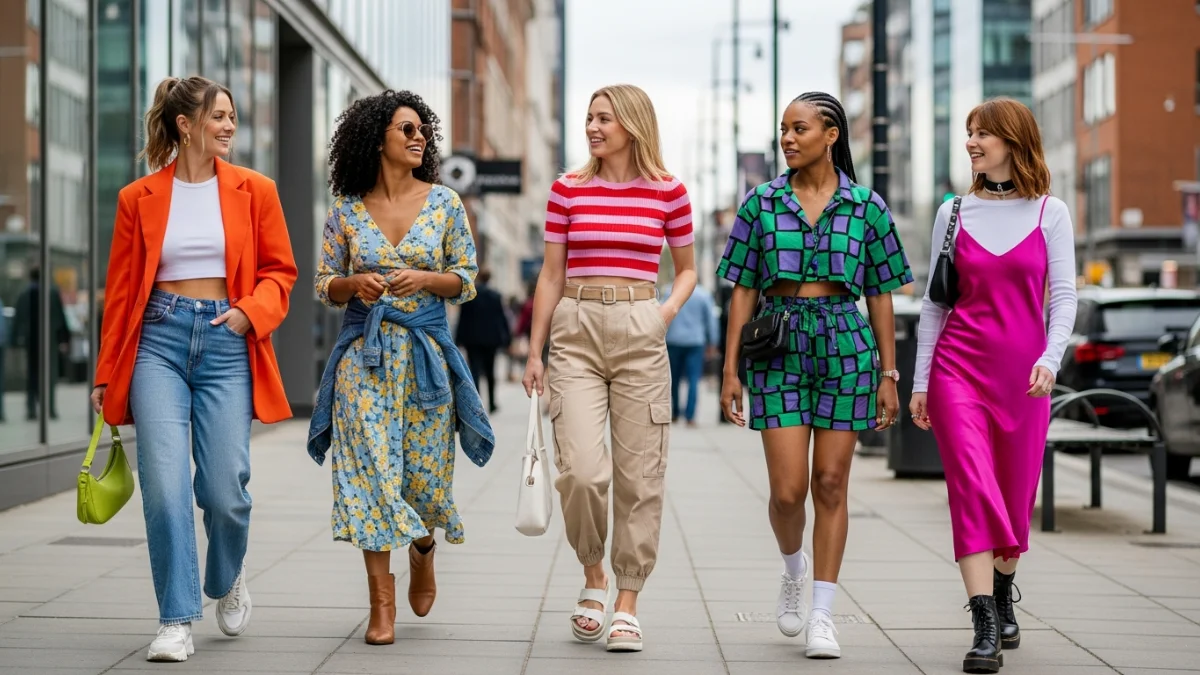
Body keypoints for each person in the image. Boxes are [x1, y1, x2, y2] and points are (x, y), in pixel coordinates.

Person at [91, 76, 298, 662]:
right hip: (157, 340)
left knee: (225, 488)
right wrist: (108, 373)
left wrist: (246, 315)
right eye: (219, 116)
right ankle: (175, 619)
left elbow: (280, 273)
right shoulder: (139, 198)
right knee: (164, 487)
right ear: (186, 125)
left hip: (227, 342)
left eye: (233, 116)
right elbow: (122, 291)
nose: (230, 126)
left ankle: (226, 576)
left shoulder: (256, 190)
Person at [718, 91, 912, 660]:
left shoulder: (867, 206)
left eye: (798, 128)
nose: (787, 138)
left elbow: (879, 294)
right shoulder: (761, 203)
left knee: (831, 483)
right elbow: (742, 289)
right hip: (777, 342)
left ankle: (822, 614)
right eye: (783, 129)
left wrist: (888, 373)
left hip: (845, 345)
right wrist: (730, 370)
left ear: (831, 134)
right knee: (787, 492)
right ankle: (791, 566)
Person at [306, 89, 494, 647]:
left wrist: (426, 280)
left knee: (423, 479)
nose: (419, 139)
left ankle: (424, 550)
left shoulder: (445, 204)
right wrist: (351, 284)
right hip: (363, 361)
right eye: (406, 130)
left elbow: (467, 278)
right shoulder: (344, 209)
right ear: (376, 138)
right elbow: (322, 285)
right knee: (369, 479)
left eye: (422, 132)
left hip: (424, 360)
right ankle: (380, 605)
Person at [522, 84, 696, 653]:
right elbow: (550, 275)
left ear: (633, 124)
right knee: (582, 471)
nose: (593, 127)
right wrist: (534, 350)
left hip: (640, 331)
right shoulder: (566, 190)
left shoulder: (670, 192)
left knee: (640, 475)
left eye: (604, 118)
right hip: (575, 329)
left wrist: (662, 313)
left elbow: (688, 269)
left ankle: (626, 599)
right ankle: (592, 573)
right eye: (589, 118)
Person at [909, 97, 1076, 674]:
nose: (972, 143)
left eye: (983, 134)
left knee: (1013, 494)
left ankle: (1005, 592)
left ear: (1014, 140)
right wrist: (922, 380)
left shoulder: (1049, 213)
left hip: (1025, 379)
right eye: (969, 134)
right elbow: (935, 305)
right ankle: (984, 623)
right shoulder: (953, 213)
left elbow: (1064, 297)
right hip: (959, 370)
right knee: (972, 488)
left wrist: (1051, 358)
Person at [455, 267, 511, 412]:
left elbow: (463, 319)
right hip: (491, 339)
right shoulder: (496, 295)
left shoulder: (470, 296)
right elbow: (501, 318)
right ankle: (492, 403)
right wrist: (506, 338)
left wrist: (458, 339)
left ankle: (477, 403)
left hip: (472, 339)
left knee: (474, 370)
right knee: (490, 371)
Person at [663, 282, 718, 426]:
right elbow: (711, 321)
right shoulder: (704, 295)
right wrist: (712, 341)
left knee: (673, 378)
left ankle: (674, 413)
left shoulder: (670, 292)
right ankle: (690, 416)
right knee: (693, 379)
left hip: (674, 340)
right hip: (695, 341)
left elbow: (661, 313)